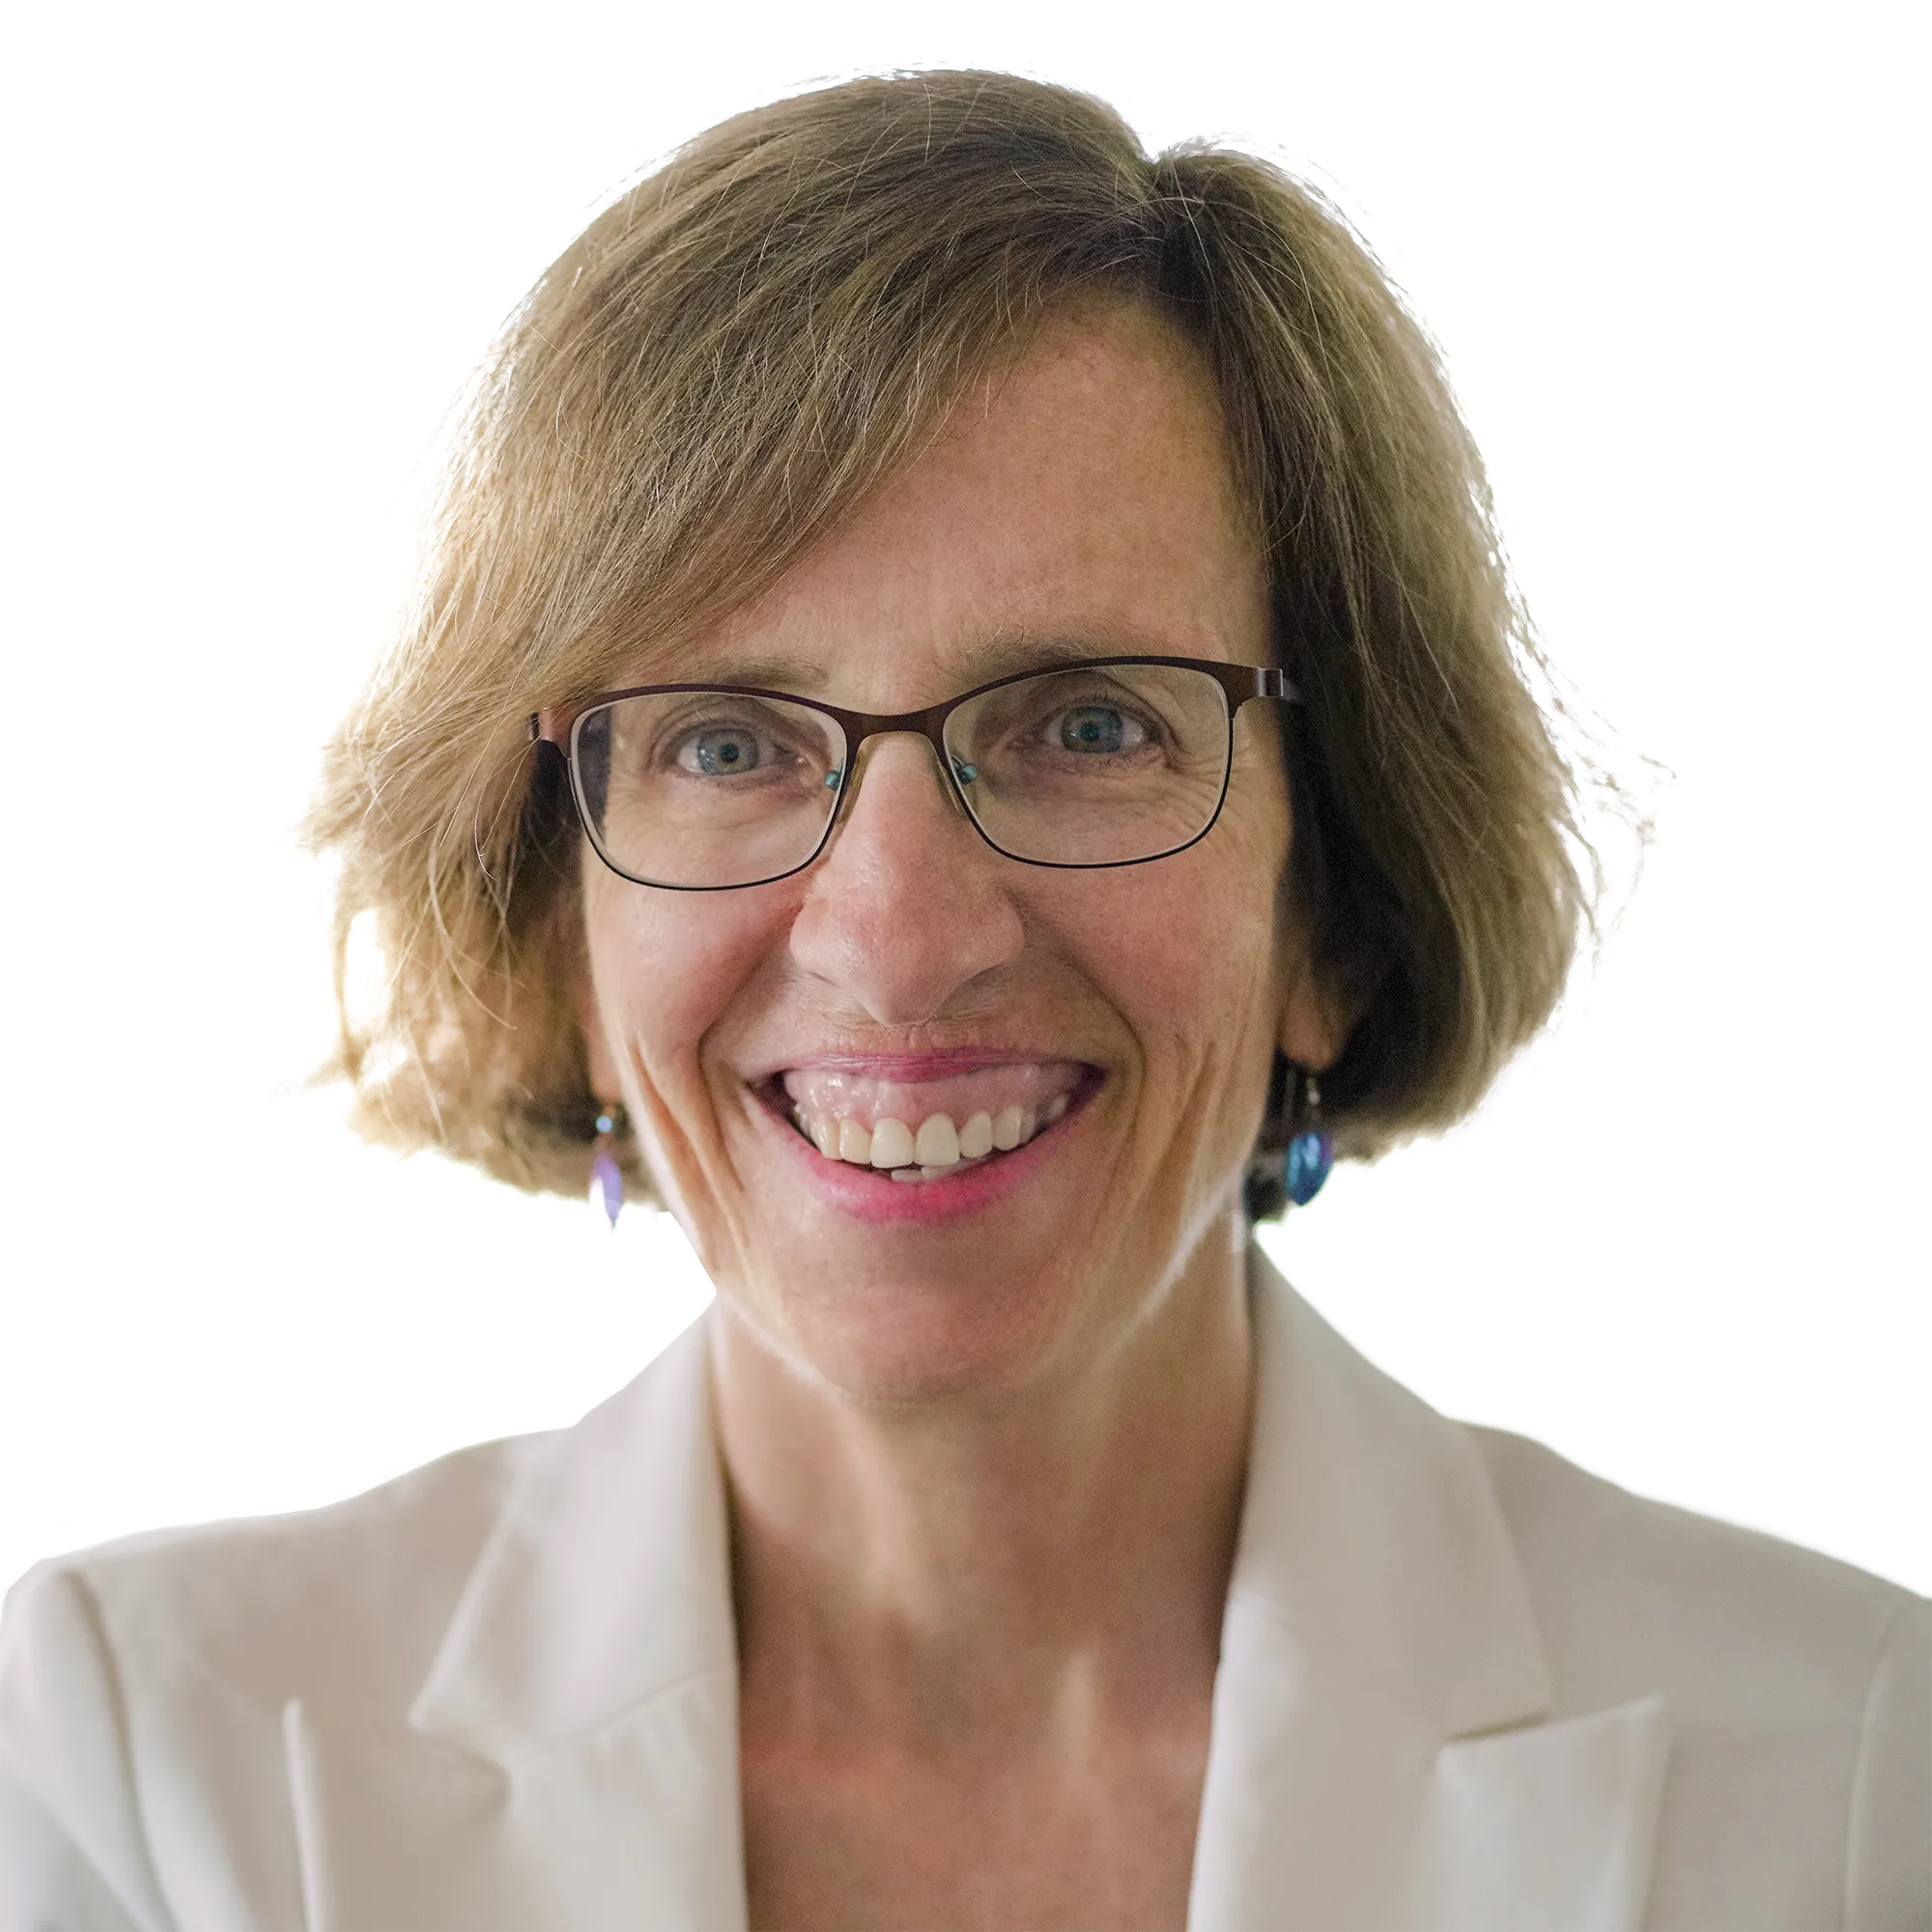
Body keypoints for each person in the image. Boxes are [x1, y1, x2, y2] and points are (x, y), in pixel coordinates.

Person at [5, 63, 1925, 1932]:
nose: (899, 938)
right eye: (728, 740)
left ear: (1334, 903)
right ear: (557, 917)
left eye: (1089, 724)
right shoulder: (151, 1765)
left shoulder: (1853, 1778)